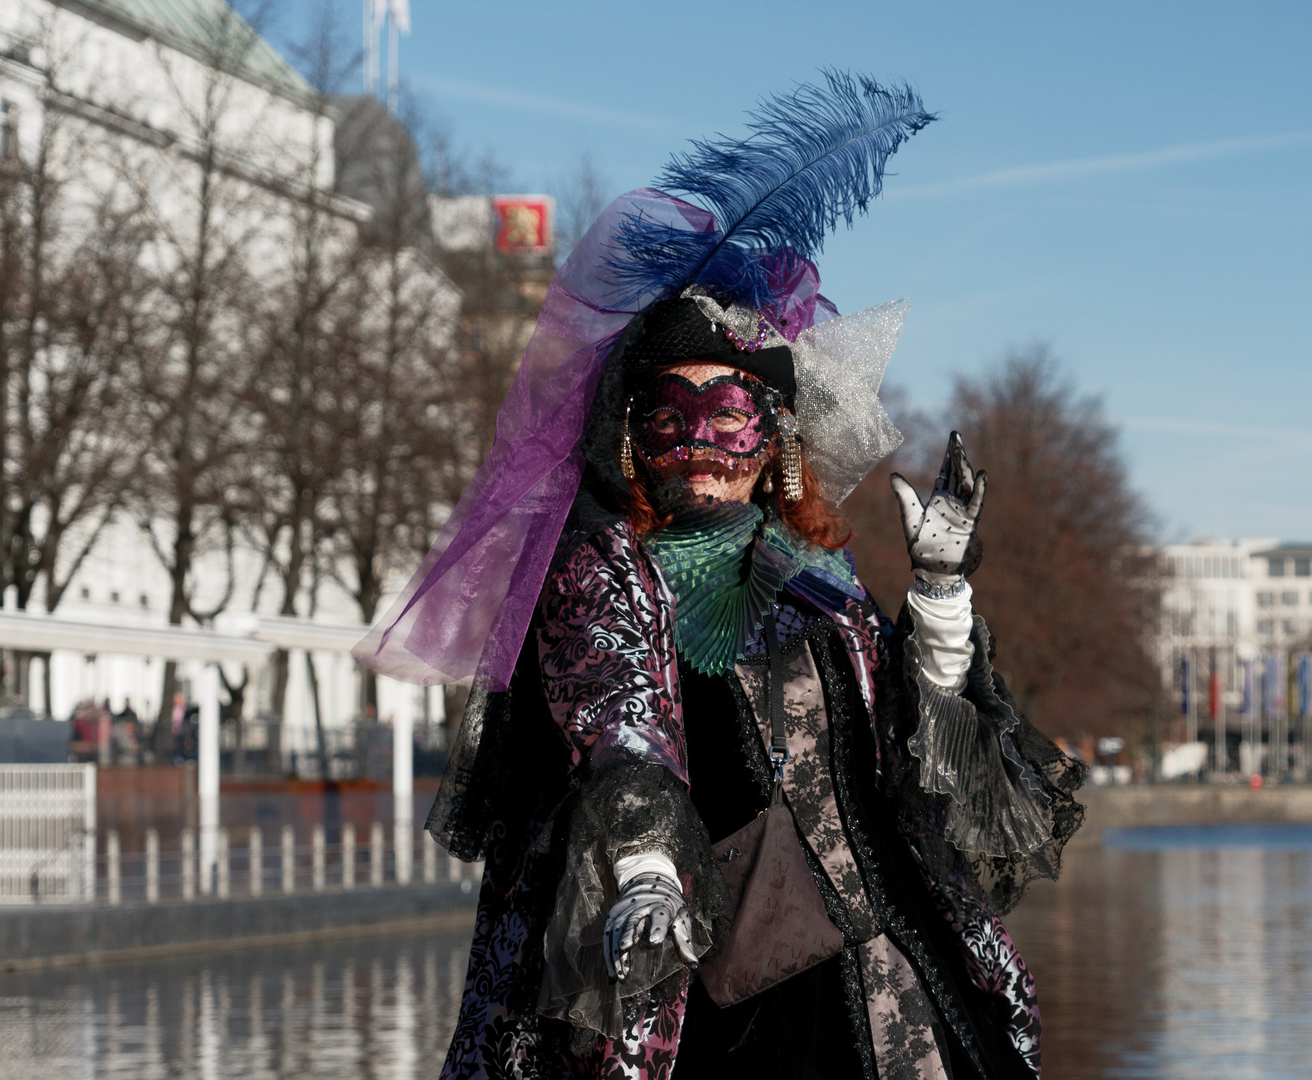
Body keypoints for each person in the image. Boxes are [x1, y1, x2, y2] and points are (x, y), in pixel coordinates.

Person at [356, 73, 1084, 1080]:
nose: (699, 446)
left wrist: (941, 596)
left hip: (884, 985)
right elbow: (620, 724)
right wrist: (649, 869)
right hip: (705, 990)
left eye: (728, 418)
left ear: (772, 436)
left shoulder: (816, 578)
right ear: (632, 440)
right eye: (669, 418)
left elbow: (921, 755)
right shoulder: (604, 571)